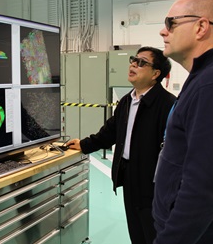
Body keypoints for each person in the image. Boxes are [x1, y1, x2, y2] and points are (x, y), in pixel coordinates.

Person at [153, 0, 213, 244]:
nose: (163, 32)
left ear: (201, 27)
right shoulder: (209, 77)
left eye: (170, 22)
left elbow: (204, 191)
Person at [66, 46, 176, 244]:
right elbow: (109, 133)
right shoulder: (127, 101)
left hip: (153, 182)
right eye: (134, 60)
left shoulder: (168, 104)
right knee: (136, 231)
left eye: (142, 62)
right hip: (129, 176)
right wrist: (84, 144)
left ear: (156, 74)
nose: (134, 64)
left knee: (155, 234)